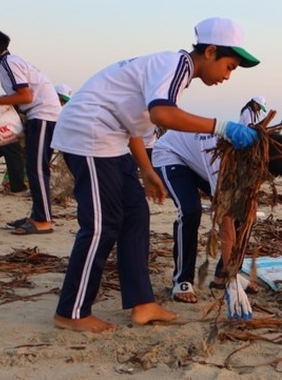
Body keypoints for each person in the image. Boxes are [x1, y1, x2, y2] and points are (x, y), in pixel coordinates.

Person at [49, 17, 261, 333]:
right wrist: (222, 127)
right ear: (211, 51)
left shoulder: (173, 73)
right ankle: (72, 311)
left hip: (112, 138)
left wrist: (147, 172)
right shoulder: (176, 64)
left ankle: (142, 303)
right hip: (89, 134)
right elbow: (162, 114)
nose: (228, 76)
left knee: (136, 214)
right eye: (229, 66)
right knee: (101, 224)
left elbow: (136, 123)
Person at [152, 130, 282, 311]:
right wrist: (233, 278)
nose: (262, 179)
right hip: (172, 154)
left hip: (199, 161)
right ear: (259, 160)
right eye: (263, 173)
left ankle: (222, 278)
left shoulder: (254, 153)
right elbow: (225, 223)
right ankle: (182, 280)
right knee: (190, 211)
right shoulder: (225, 161)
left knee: (246, 213)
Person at [0, 27, 61, 234]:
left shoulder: (9, 64)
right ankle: (37, 215)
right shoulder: (5, 65)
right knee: (34, 167)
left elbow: (26, 97)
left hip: (44, 116)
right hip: (37, 116)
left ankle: (43, 221)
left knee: (37, 168)